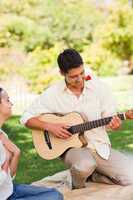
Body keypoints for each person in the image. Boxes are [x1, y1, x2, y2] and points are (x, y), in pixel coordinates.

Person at [21, 48, 133, 189]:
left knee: (130, 176)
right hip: (72, 149)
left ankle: (95, 176)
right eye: (74, 76)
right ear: (62, 73)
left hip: (99, 146)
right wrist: (51, 127)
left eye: (82, 73)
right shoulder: (53, 94)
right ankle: (78, 183)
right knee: (84, 165)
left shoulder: (100, 88)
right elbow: (25, 117)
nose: (80, 79)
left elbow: (109, 120)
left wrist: (115, 125)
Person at [0, 87, 63, 200]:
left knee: (55, 194)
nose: (11, 104)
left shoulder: (2, 135)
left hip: (9, 190)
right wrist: (4, 168)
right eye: (7, 100)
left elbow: (9, 178)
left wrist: (16, 153)